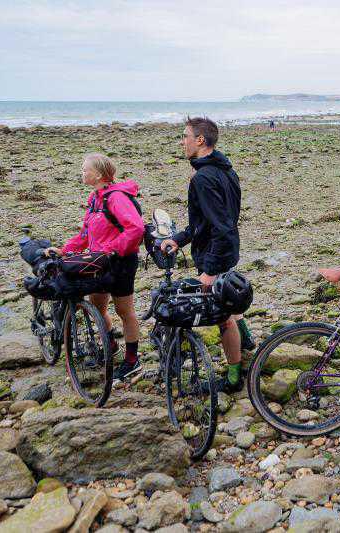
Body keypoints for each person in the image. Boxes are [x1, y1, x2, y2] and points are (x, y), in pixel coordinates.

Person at [159, 116, 254, 393]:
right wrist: (178, 240)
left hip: (217, 253)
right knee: (229, 303)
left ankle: (235, 378)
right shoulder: (226, 170)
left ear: (200, 140)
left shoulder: (203, 178)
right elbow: (204, 223)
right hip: (225, 250)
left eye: (186, 136)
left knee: (221, 316)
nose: (182, 141)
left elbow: (221, 227)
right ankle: (247, 344)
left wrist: (209, 270)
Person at [47, 153, 145, 379]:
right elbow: (85, 233)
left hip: (120, 261)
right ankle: (110, 346)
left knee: (123, 310)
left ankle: (133, 361)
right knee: (97, 305)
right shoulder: (95, 198)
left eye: (85, 170)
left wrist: (113, 249)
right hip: (97, 262)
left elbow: (136, 229)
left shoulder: (116, 198)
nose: (82, 173)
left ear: (99, 174)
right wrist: (66, 250)